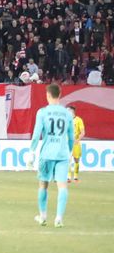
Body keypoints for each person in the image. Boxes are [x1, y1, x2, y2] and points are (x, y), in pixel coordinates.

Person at [30, 84, 74, 227]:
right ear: (59, 95)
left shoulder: (42, 112)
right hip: (62, 154)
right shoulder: (67, 113)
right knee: (62, 186)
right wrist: (70, 152)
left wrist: (32, 151)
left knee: (43, 184)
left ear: (48, 95)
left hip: (47, 154)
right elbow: (71, 136)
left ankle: (43, 216)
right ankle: (59, 218)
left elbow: (37, 134)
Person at [69, 106, 85, 183]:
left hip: (76, 144)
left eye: (68, 110)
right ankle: (68, 177)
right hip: (67, 143)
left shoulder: (79, 120)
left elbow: (83, 132)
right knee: (67, 160)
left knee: (76, 160)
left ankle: (75, 177)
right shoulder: (66, 120)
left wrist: (77, 140)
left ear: (72, 111)